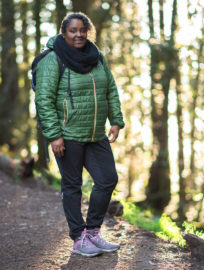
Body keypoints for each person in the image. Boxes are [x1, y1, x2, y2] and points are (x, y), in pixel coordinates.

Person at [35, 12, 124, 257]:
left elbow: (111, 89)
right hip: (68, 135)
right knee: (72, 186)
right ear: (64, 32)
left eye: (82, 30)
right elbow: (44, 100)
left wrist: (116, 120)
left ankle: (93, 232)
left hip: (95, 134)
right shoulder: (52, 60)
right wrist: (54, 135)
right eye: (73, 30)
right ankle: (78, 238)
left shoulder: (97, 57)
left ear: (88, 31)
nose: (78, 34)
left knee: (107, 179)